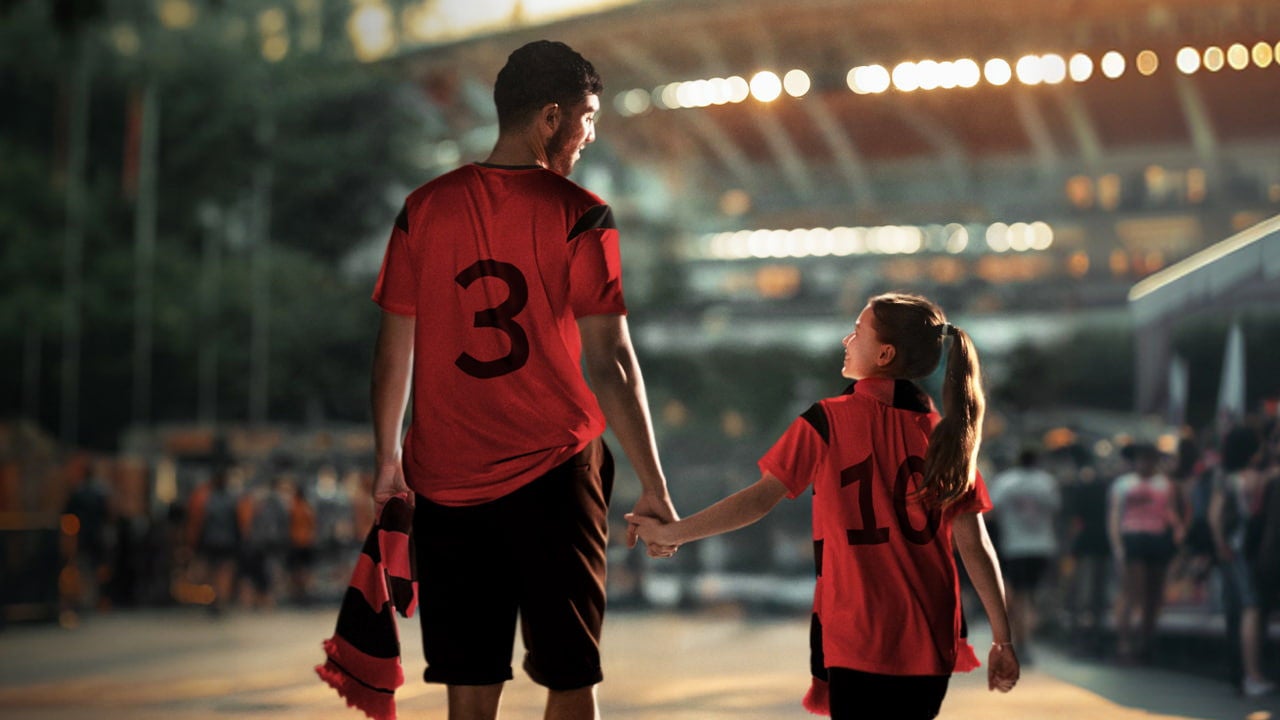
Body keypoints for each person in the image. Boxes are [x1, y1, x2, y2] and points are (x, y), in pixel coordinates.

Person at [367, 40, 678, 720]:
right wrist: (655, 486)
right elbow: (614, 363)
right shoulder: (581, 213)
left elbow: (395, 351)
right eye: (588, 117)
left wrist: (387, 458)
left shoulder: (422, 208)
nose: (591, 134)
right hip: (554, 470)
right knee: (570, 678)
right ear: (550, 117)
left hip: (445, 480)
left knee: (469, 690)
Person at [629, 293, 1018, 720]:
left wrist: (671, 533)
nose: (846, 339)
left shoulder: (827, 420)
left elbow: (758, 501)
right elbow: (974, 545)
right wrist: (1003, 639)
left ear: (885, 354)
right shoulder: (945, 436)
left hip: (858, 635)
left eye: (857, 331)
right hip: (929, 639)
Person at [1209, 424, 1273, 696]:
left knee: (1237, 609)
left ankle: (1239, 671)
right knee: (1251, 606)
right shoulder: (1260, 477)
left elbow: (1214, 516)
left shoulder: (1226, 477)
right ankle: (1252, 674)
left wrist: (1220, 543)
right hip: (1246, 547)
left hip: (1232, 547)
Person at [1108, 442, 1183, 664]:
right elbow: (1115, 516)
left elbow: (1169, 511)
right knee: (1132, 592)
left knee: (1154, 593)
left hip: (1157, 538)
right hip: (1133, 537)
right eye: (1141, 459)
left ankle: (1146, 641)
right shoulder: (1123, 484)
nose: (1144, 463)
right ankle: (1124, 642)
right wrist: (1118, 546)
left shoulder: (1164, 484)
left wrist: (1178, 529)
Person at [988, 448, 1061, 663]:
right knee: (1032, 595)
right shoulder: (1046, 482)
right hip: (1043, 546)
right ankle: (1026, 637)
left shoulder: (1005, 482)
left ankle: (1024, 642)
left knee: (1019, 597)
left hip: (1015, 547)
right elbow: (1056, 509)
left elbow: (991, 511)